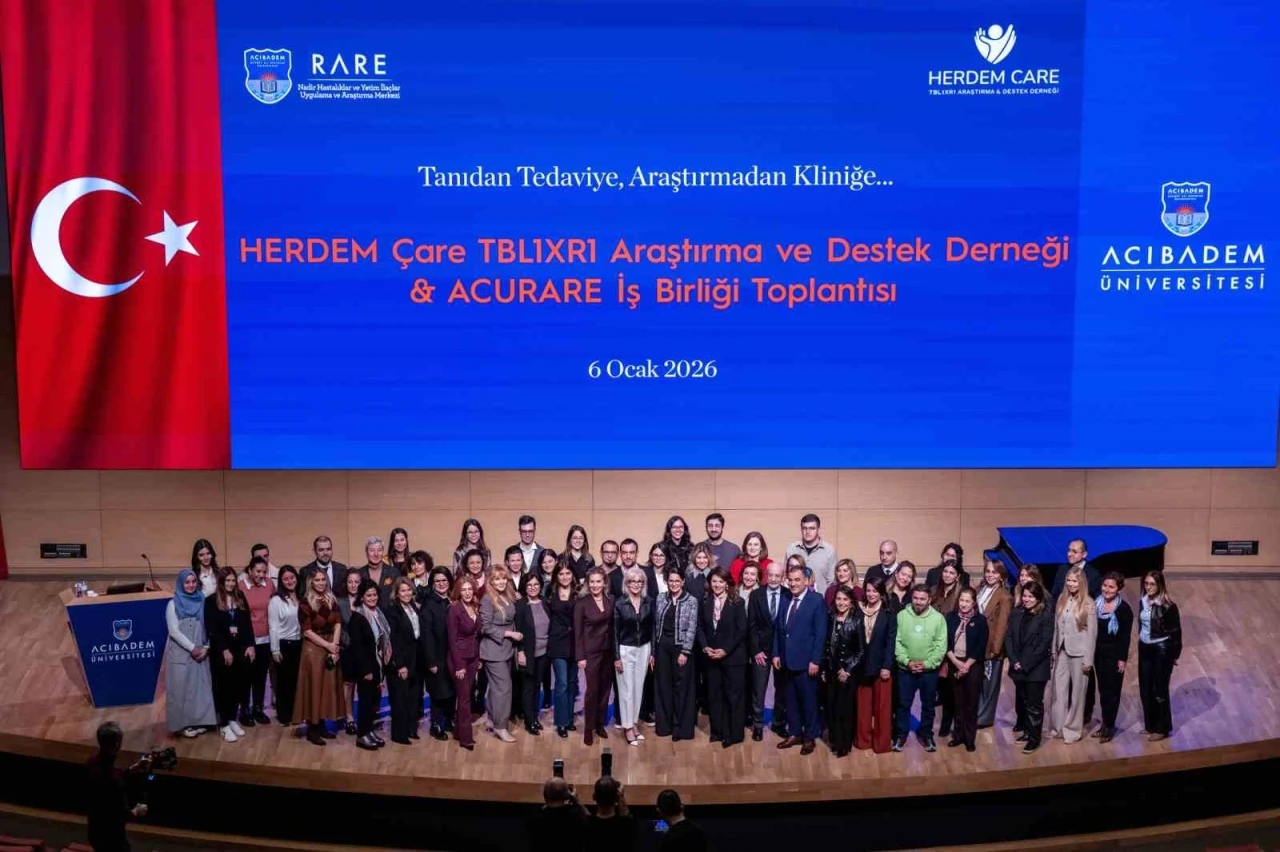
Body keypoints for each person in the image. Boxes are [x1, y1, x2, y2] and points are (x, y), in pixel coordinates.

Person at [773, 559, 828, 755]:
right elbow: (779, 629)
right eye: (791, 580)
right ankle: (795, 733)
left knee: (809, 702)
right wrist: (776, 653)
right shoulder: (785, 598)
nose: (793, 583)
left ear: (806, 580)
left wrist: (815, 660)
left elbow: (820, 634)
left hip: (807, 663)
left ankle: (809, 737)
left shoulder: (816, 600)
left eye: (797, 580)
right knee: (791, 700)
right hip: (786, 661)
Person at [892, 584, 946, 753]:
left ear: (929, 600)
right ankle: (901, 735)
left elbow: (941, 646)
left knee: (928, 705)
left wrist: (927, 664)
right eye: (915, 598)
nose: (918, 602)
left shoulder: (938, 619)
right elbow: (896, 642)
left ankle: (926, 734)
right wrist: (907, 661)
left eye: (922, 599)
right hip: (905, 670)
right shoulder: (901, 616)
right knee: (903, 704)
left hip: (928, 672)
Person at [163, 569, 216, 737]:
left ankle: (199, 721)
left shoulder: (203, 600)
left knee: (200, 689)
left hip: (200, 651)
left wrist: (206, 647)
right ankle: (183, 725)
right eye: (187, 582)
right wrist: (192, 647)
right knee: (181, 689)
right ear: (181, 583)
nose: (191, 585)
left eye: (193, 581)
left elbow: (209, 626)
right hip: (182, 652)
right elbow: (174, 631)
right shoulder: (172, 604)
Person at [296, 569, 345, 745]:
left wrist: (334, 647)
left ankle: (322, 724)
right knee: (314, 687)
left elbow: (338, 623)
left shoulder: (331, 599)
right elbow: (307, 631)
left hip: (330, 645)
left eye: (323, 579)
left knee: (326, 688)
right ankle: (313, 728)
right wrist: (327, 645)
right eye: (317, 580)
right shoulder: (305, 603)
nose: (321, 583)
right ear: (311, 582)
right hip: (313, 648)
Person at [205, 568, 254, 743]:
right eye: (227, 581)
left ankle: (233, 719)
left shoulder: (240, 597)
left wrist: (250, 645)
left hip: (239, 648)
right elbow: (212, 629)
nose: (231, 584)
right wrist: (224, 649)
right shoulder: (211, 601)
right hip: (221, 650)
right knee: (223, 687)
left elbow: (247, 623)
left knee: (237, 685)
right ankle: (224, 723)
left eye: (233, 580)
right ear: (221, 582)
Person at [1050, 565, 1097, 744]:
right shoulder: (1062, 599)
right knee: (1058, 691)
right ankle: (1058, 728)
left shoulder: (1088, 603)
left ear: (1081, 583)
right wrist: (1053, 650)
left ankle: (1072, 730)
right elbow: (1056, 627)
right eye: (1068, 580)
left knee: (1077, 695)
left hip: (1080, 653)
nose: (1071, 584)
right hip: (1062, 650)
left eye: (1074, 581)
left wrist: (1089, 660)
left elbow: (1091, 634)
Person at [85, 721, 149, 852]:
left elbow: (109, 777)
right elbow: (123, 814)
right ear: (117, 744)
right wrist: (137, 811)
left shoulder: (91, 762)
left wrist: (131, 769)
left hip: (95, 830)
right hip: (112, 838)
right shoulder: (114, 782)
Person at [700, 567, 747, 747]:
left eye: (721, 581)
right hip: (711, 657)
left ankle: (733, 734)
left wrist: (725, 650)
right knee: (714, 695)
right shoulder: (705, 601)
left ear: (727, 583)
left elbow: (741, 630)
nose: (717, 585)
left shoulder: (738, 602)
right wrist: (705, 647)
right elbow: (699, 627)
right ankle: (717, 732)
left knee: (732, 696)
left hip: (732, 657)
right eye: (714, 581)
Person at [1006, 580, 1054, 753]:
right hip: (1017, 666)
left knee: (1034, 704)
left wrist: (1025, 664)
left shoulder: (1046, 616)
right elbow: (1009, 637)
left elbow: (1044, 644)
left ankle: (1034, 738)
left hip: (1036, 669)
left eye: (1031, 597)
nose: (1026, 599)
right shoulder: (1016, 612)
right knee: (1024, 701)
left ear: (1038, 598)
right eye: (1025, 596)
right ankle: (1027, 732)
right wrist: (1014, 660)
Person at [653, 567, 699, 741]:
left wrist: (685, 652)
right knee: (663, 686)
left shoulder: (691, 601)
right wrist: (654, 651)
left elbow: (692, 627)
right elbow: (655, 625)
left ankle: (681, 728)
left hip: (681, 648)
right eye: (671, 581)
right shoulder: (660, 598)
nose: (673, 584)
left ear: (683, 581)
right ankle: (664, 726)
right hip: (662, 648)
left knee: (681, 688)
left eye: (677, 581)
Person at [943, 587, 989, 752]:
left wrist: (966, 665)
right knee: (957, 703)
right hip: (954, 662)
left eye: (967, 601)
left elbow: (981, 646)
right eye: (961, 600)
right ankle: (958, 735)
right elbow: (945, 643)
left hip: (973, 665)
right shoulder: (950, 618)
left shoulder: (981, 621)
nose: (963, 604)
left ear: (974, 603)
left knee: (971, 704)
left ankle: (969, 738)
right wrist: (956, 663)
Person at [480, 564, 521, 743]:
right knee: (504, 688)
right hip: (493, 650)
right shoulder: (487, 599)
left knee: (495, 688)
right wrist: (509, 634)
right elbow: (485, 626)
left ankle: (491, 718)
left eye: (504, 578)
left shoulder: (507, 595)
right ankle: (501, 726)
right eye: (497, 579)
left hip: (506, 649)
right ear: (490, 581)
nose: (501, 582)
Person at [853, 578, 896, 753]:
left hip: (881, 667)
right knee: (862, 707)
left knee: (882, 708)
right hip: (861, 666)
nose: (871, 594)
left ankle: (881, 744)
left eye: (875, 591)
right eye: (868, 590)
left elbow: (891, 642)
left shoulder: (888, 612)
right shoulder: (858, 609)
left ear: (881, 592)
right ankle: (863, 741)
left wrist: (887, 666)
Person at [1138, 570, 1181, 741]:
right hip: (1144, 647)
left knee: (1159, 689)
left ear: (1160, 585)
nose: (1148, 587)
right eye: (1146, 584)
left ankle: (1162, 728)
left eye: (1152, 584)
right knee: (1145, 687)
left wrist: (1174, 655)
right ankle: (1150, 724)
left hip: (1161, 649)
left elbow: (1176, 633)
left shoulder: (1168, 606)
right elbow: (1141, 625)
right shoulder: (1143, 601)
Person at [346, 580, 390, 751]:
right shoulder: (358, 616)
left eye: (374, 595)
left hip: (377, 664)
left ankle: (369, 731)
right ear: (362, 597)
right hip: (366, 667)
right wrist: (366, 670)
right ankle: (362, 735)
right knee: (365, 701)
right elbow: (358, 648)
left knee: (373, 701)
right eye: (368, 595)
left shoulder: (378, 612)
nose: (372, 598)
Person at [747, 561, 788, 740]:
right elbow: (751, 625)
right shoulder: (756, 595)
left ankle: (779, 723)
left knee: (781, 689)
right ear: (766, 575)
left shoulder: (788, 594)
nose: (773, 579)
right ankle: (758, 725)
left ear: (782, 577)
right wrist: (756, 650)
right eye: (770, 575)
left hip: (781, 651)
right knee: (759, 689)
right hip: (761, 651)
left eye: (777, 576)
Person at [823, 586, 865, 757]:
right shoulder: (830, 617)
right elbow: (826, 646)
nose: (841, 603)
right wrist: (825, 669)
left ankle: (844, 744)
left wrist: (847, 671)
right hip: (831, 670)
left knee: (845, 709)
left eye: (845, 599)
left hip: (847, 673)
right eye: (839, 599)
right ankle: (834, 740)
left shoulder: (856, 621)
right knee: (831, 707)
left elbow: (860, 651)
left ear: (851, 602)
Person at [1092, 571, 1133, 743]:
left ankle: (1109, 726)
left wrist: (1122, 659)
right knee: (1103, 691)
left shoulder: (1124, 610)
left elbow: (1125, 637)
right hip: (1098, 654)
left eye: (1111, 587)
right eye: (1105, 585)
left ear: (1118, 589)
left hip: (1114, 656)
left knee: (1112, 692)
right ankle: (1104, 724)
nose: (1106, 589)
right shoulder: (1096, 604)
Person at [613, 567, 653, 746]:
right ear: (626, 583)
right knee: (626, 690)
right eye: (632, 581)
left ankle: (634, 723)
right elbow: (614, 633)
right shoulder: (619, 603)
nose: (636, 584)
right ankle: (627, 727)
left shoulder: (648, 602)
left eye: (639, 581)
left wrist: (652, 652)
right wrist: (616, 657)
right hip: (625, 649)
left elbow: (652, 629)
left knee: (638, 689)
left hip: (644, 648)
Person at [577, 567, 615, 745]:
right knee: (592, 691)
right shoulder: (582, 603)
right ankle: (589, 728)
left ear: (604, 582)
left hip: (608, 651)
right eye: (591, 582)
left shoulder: (610, 600)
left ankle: (600, 724)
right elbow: (578, 633)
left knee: (605, 689)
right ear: (587, 583)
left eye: (598, 581)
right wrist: (580, 657)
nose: (595, 585)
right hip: (591, 653)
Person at [975, 558, 1013, 729]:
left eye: (994, 572)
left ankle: (985, 717)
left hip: (991, 647)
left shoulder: (1004, 596)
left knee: (989, 684)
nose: (990, 575)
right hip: (977, 644)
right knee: (978, 682)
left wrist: (995, 649)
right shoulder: (980, 589)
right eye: (988, 571)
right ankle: (976, 712)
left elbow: (1002, 625)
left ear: (1001, 575)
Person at [420, 566, 456, 740]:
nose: (441, 584)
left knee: (451, 691)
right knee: (438, 693)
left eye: (444, 580)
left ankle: (448, 721)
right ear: (432, 584)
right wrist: (431, 662)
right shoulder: (429, 605)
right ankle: (436, 725)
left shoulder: (451, 600)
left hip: (452, 656)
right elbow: (426, 636)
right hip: (437, 657)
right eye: (437, 581)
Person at [239, 556, 275, 728]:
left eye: (264, 571)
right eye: (258, 571)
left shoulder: (269, 584)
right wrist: (247, 643)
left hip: (266, 638)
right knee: (246, 677)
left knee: (261, 676)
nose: (261, 575)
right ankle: (244, 710)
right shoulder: (240, 587)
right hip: (247, 640)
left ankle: (258, 709)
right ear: (249, 570)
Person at [448, 575, 482, 751]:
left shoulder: (475, 606)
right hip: (459, 659)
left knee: (466, 695)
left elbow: (477, 636)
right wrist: (459, 666)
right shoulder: (454, 610)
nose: (467, 593)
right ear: (458, 592)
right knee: (464, 699)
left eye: (470, 589)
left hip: (473, 657)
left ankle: (457, 732)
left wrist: (478, 659)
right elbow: (452, 641)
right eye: (464, 590)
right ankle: (466, 738)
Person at [386, 577, 422, 744]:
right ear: (397, 593)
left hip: (415, 660)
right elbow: (394, 640)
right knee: (400, 698)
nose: (407, 593)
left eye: (408, 590)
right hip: (401, 662)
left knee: (413, 697)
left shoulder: (414, 607)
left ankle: (411, 729)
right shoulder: (393, 611)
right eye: (403, 591)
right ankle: (399, 734)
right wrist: (400, 665)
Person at [515, 571, 551, 735]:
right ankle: (529, 721)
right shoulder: (521, 605)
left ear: (540, 586)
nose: (533, 587)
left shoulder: (545, 602)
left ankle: (535, 717)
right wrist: (520, 651)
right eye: (529, 585)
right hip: (527, 653)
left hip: (544, 653)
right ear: (524, 587)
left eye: (536, 584)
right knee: (528, 688)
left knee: (538, 686)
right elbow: (517, 629)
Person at [547, 562, 579, 738]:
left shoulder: (579, 593)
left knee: (572, 683)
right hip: (557, 643)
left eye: (568, 573)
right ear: (556, 576)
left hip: (575, 643)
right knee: (562, 684)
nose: (565, 577)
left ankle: (569, 719)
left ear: (573, 575)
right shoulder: (550, 593)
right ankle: (561, 722)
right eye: (561, 574)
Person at [268, 565, 302, 727]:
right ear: (281, 582)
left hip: (300, 643)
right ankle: (284, 716)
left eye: (292, 577)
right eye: (286, 579)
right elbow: (273, 627)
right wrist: (275, 650)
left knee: (297, 681)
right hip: (284, 645)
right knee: (284, 683)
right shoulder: (276, 600)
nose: (290, 581)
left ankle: (297, 713)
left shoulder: (301, 597)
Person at [334, 567, 364, 735]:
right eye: (350, 582)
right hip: (348, 648)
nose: (353, 585)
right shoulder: (340, 601)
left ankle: (366, 716)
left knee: (365, 684)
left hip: (365, 649)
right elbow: (338, 626)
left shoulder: (367, 598)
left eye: (356, 582)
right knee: (348, 685)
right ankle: (349, 718)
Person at [527, 777, 587, 852]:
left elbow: (545, 808)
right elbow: (593, 821)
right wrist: (576, 801)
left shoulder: (535, 816)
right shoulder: (576, 814)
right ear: (566, 796)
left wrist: (549, 797)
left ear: (544, 795)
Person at [785, 513, 837, 594]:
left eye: (812, 528)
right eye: (804, 528)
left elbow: (832, 581)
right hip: (795, 599)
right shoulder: (792, 549)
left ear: (818, 529)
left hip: (821, 599)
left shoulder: (829, 551)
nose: (808, 532)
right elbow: (786, 576)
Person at [585, 777, 635, 848]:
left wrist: (576, 801)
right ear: (617, 798)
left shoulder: (586, 823)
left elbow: (587, 815)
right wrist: (621, 796)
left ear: (594, 797)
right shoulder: (626, 825)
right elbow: (626, 816)